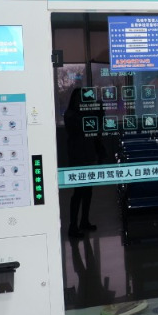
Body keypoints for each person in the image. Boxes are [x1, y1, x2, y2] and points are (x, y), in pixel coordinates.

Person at [63, 88, 102, 238]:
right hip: (78, 157)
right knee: (78, 192)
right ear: (74, 100)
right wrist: (91, 111)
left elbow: (97, 128)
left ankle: (84, 221)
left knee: (88, 191)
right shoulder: (70, 115)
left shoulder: (84, 114)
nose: (82, 101)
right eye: (80, 98)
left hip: (88, 155)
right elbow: (80, 127)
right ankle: (72, 226)